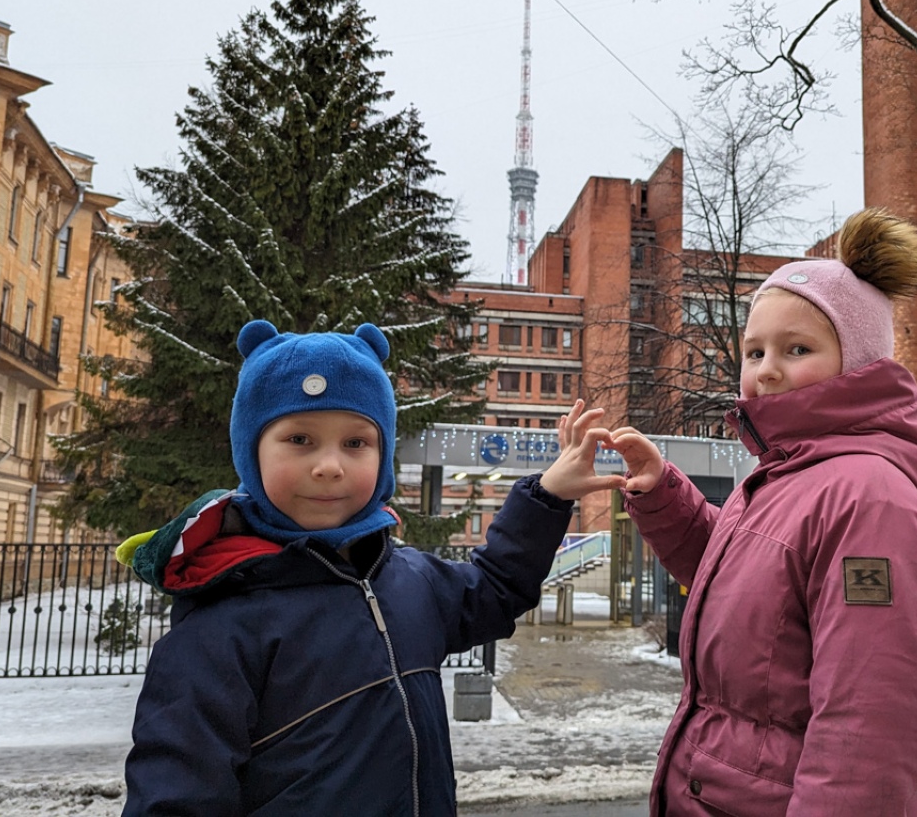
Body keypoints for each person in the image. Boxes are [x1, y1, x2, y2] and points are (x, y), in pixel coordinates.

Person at [116, 319, 623, 817]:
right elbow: (175, 795)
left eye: (356, 443)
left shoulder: (409, 580)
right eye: (299, 439)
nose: (330, 465)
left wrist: (548, 494)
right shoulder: (221, 621)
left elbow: (494, 589)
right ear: (251, 453)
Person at [601, 209, 917, 815]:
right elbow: (747, 580)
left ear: (860, 360)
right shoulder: (783, 474)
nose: (766, 369)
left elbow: (868, 732)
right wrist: (662, 494)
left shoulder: (871, 501)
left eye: (797, 348)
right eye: (754, 350)